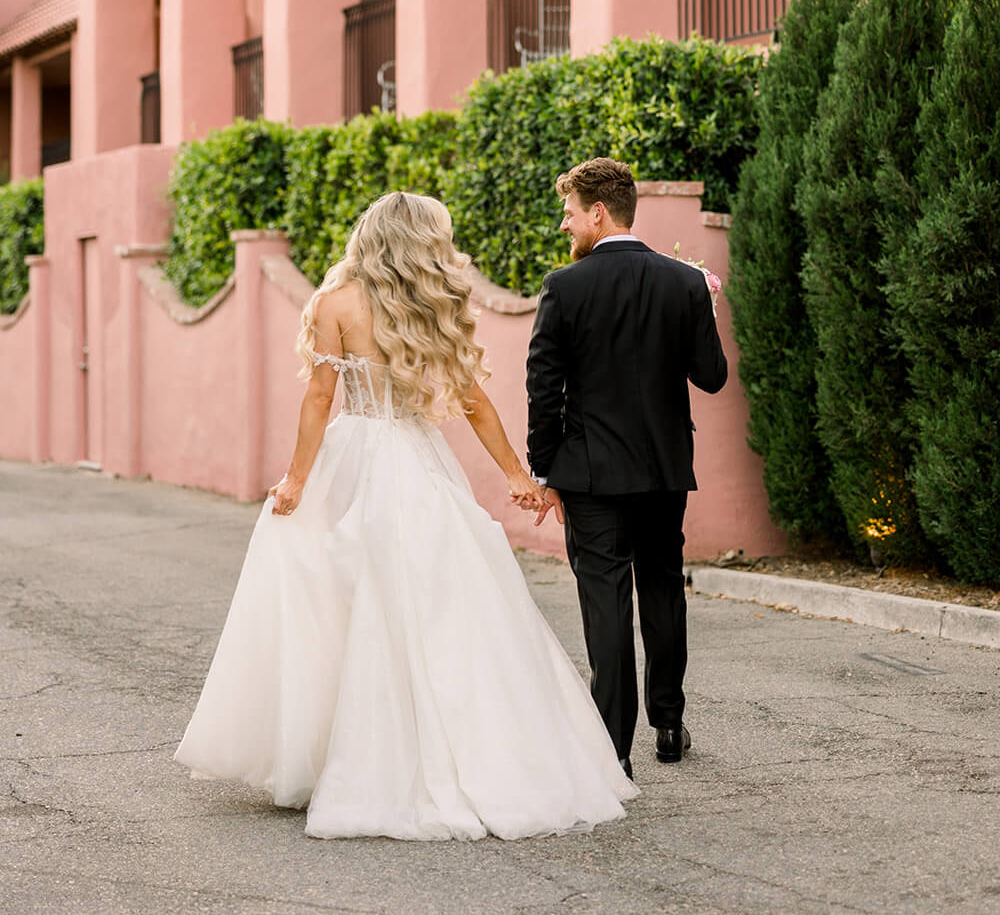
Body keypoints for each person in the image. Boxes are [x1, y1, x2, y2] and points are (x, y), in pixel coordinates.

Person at [175, 191, 634, 841]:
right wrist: (514, 475)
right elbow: (474, 403)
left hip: (353, 455)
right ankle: (464, 752)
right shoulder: (432, 306)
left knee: (340, 599)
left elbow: (318, 399)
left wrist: (296, 479)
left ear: (368, 235)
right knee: (439, 601)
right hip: (416, 459)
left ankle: (343, 750)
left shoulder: (334, 304)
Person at [526, 158, 727, 779]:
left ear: (598, 212)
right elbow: (712, 377)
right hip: (665, 470)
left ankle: (613, 750)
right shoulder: (684, 283)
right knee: (663, 591)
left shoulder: (566, 287)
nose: (564, 225)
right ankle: (669, 724)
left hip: (591, 476)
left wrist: (544, 467)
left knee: (605, 601)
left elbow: (543, 387)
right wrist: (702, 308)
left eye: (569, 212)